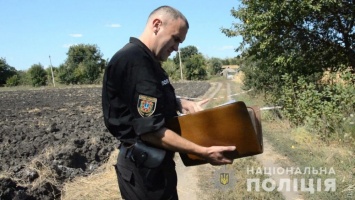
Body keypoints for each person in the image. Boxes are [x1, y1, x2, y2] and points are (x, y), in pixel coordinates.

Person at [102, 5, 236, 200]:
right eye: (175, 39)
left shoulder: (148, 61)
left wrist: (179, 102)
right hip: (143, 169)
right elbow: (151, 132)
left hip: (154, 166)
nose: (176, 48)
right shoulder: (135, 62)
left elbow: (147, 100)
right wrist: (203, 152)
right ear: (157, 24)